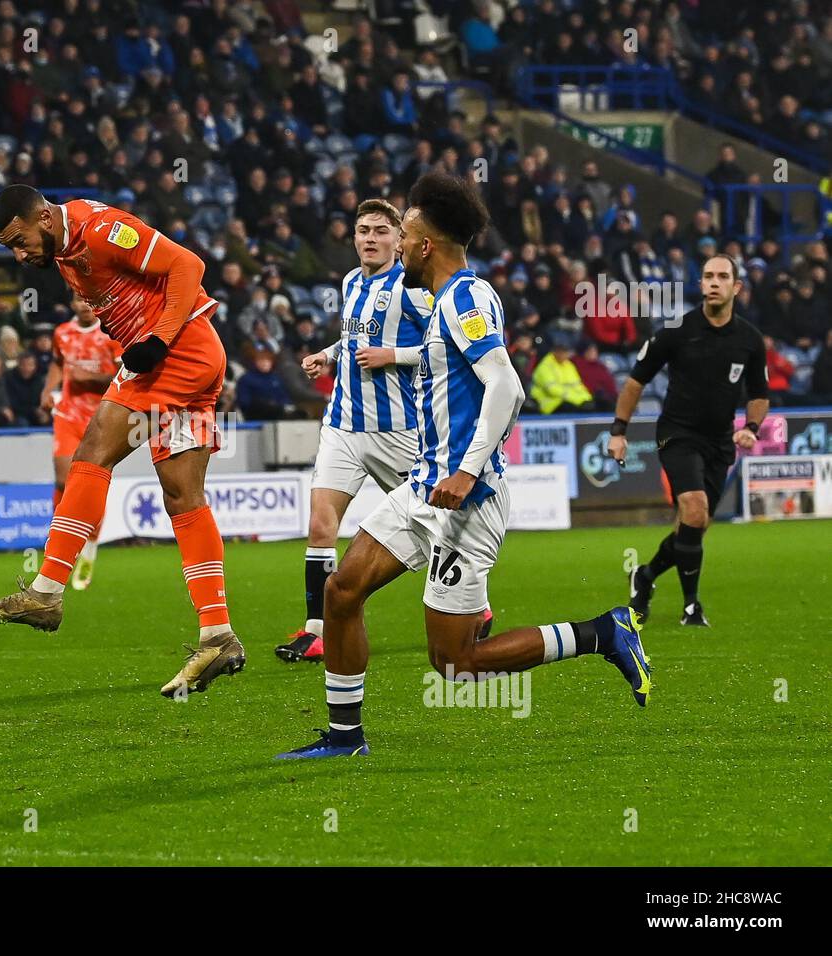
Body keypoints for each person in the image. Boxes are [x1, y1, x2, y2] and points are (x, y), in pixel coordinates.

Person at [278, 173, 653, 760]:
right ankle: (344, 737)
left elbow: (507, 387)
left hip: (465, 505)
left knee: (456, 664)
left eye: (403, 234)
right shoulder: (439, 300)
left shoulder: (466, 298)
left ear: (425, 244)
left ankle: (603, 633)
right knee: (342, 590)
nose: (396, 244)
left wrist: (469, 469)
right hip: (422, 487)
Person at [0, 185, 243, 698]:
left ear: (44, 219)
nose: (19, 253)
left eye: (19, 240)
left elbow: (187, 266)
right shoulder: (65, 251)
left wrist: (157, 338)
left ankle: (48, 591)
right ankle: (217, 634)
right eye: (9, 246)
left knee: (92, 452)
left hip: (177, 352)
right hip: (191, 357)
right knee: (183, 497)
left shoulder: (100, 230)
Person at [275, 198, 446, 665]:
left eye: (380, 231)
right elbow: (353, 336)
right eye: (362, 230)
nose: (370, 238)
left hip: (398, 431)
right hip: (343, 425)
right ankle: (318, 630)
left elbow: (443, 346)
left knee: (436, 523)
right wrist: (328, 355)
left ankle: (476, 603)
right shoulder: (351, 281)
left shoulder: (414, 287)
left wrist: (394, 355)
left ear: (398, 239)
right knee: (320, 524)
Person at [609, 255, 768, 627]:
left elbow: (759, 394)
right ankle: (692, 607)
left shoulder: (749, 339)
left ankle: (645, 576)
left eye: (722, 276)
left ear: (736, 287)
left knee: (694, 527)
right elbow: (635, 381)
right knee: (694, 510)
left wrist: (753, 427)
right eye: (708, 275)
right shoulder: (676, 331)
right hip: (677, 435)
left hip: (720, 442)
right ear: (701, 284)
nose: (714, 282)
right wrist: (618, 431)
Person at [40, 297, 121, 590]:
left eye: (88, 300)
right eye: (77, 300)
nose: (84, 305)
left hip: (102, 418)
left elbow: (121, 377)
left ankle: (89, 548)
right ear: (71, 303)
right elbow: (58, 364)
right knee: (63, 479)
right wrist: (48, 390)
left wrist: (91, 378)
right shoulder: (61, 332)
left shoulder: (111, 332)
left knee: (91, 487)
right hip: (68, 414)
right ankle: (61, 546)